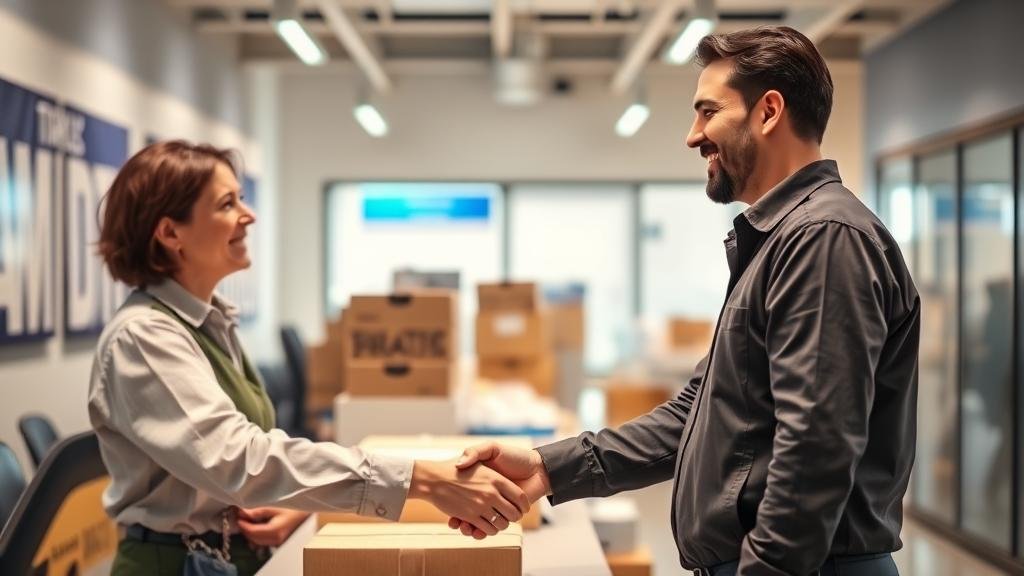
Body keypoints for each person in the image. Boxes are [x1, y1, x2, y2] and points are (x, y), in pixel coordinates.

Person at [453, 26, 920, 576]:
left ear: (768, 112)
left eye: (707, 111)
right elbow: (694, 414)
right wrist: (547, 467)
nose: (692, 136)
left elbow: (814, 450)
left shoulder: (823, 238)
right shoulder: (782, 240)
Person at [90, 140, 528, 576]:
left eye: (242, 198)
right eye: (227, 204)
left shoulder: (209, 323)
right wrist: (422, 480)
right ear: (170, 234)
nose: (249, 214)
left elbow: (242, 468)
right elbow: (237, 460)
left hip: (227, 554)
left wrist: (296, 507)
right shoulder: (144, 338)